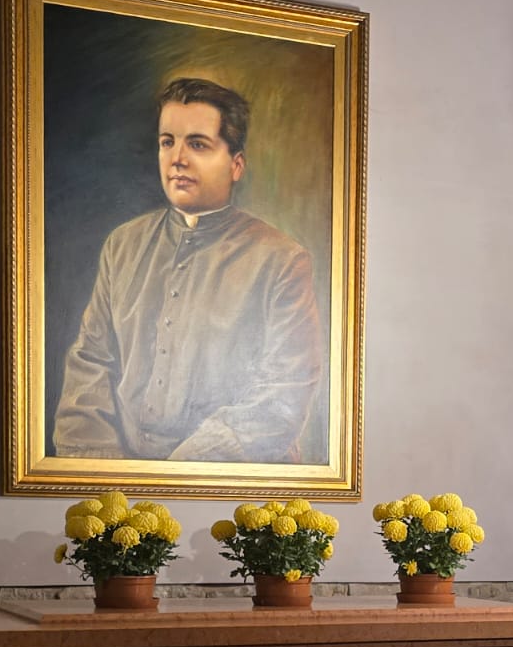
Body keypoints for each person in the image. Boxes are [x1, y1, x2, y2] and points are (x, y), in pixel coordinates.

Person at [53, 77, 322, 462]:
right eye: (167, 142)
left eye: (197, 144)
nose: (177, 158)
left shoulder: (280, 258)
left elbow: (283, 392)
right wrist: (105, 472)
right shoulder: (123, 244)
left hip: (230, 489)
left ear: (236, 165)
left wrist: (178, 474)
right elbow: (91, 362)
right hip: (118, 482)